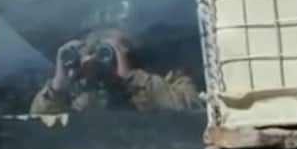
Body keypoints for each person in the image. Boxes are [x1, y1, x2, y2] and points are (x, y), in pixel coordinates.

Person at [29, 27, 203, 115]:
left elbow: (191, 109)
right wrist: (58, 87)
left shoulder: (167, 76)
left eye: (108, 51)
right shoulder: (80, 91)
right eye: (92, 50)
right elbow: (38, 125)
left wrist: (132, 79)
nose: (100, 58)